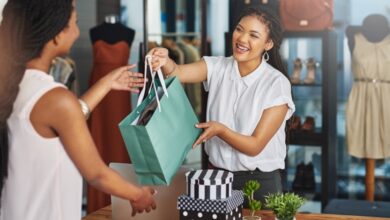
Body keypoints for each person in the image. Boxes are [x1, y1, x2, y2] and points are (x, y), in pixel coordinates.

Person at [0, 1, 156, 219]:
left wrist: (106, 83)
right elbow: (97, 174)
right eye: (75, 23)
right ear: (56, 35)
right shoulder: (55, 99)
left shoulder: (14, 86)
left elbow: (68, 115)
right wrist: (138, 194)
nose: (78, 31)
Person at [148, 7, 295, 206]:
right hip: (216, 179)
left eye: (253, 35)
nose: (242, 39)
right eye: (239, 30)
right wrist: (165, 60)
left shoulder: (276, 84)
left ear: (268, 44)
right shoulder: (216, 66)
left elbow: (255, 146)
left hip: (259, 184)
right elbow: (176, 72)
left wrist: (221, 130)